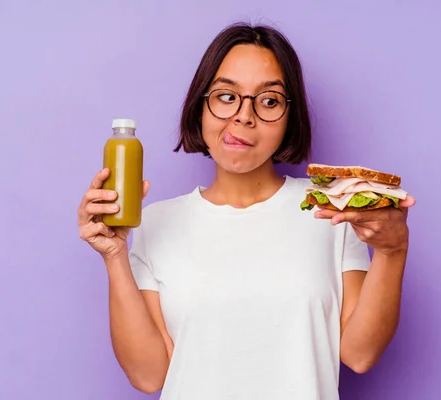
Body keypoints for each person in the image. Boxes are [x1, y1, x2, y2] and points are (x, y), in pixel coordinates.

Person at [77, 22, 415, 400]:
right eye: (226, 96)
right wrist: (114, 256)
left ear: (290, 117)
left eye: (269, 101)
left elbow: (360, 353)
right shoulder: (156, 221)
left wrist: (391, 251)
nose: (243, 116)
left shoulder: (328, 211)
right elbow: (148, 375)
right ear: (201, 105)